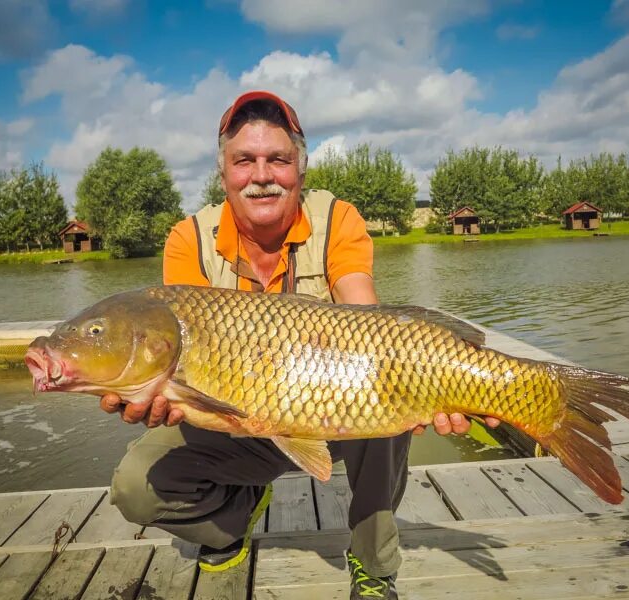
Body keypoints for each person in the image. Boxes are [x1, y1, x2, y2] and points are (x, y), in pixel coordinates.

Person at [101, 90, 499, 600]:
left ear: (300, 170)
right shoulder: (189, 239)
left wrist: (431, 383)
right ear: (223, 173)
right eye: (244, 160)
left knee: (387, 402)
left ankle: (375, 565)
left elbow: (368, 317)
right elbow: (172, 350)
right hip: (230, 416)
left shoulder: (337, 219)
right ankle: (234, 517)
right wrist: (148, 389)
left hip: (332, 410)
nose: (261, 174)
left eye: (279, 160)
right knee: (134, 488)